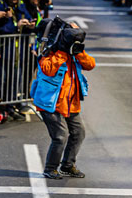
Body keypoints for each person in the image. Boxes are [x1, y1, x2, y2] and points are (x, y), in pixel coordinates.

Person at [32, 22, 96, 179]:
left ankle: (67, 165)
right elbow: (47, 69)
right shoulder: (50, 52)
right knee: (60, 136)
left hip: (70, 104)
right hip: (50, 104)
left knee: (78, 133)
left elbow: (90, 64)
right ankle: (50, 168)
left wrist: (78, 51)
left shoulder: (74, 52)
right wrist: (61, 51)